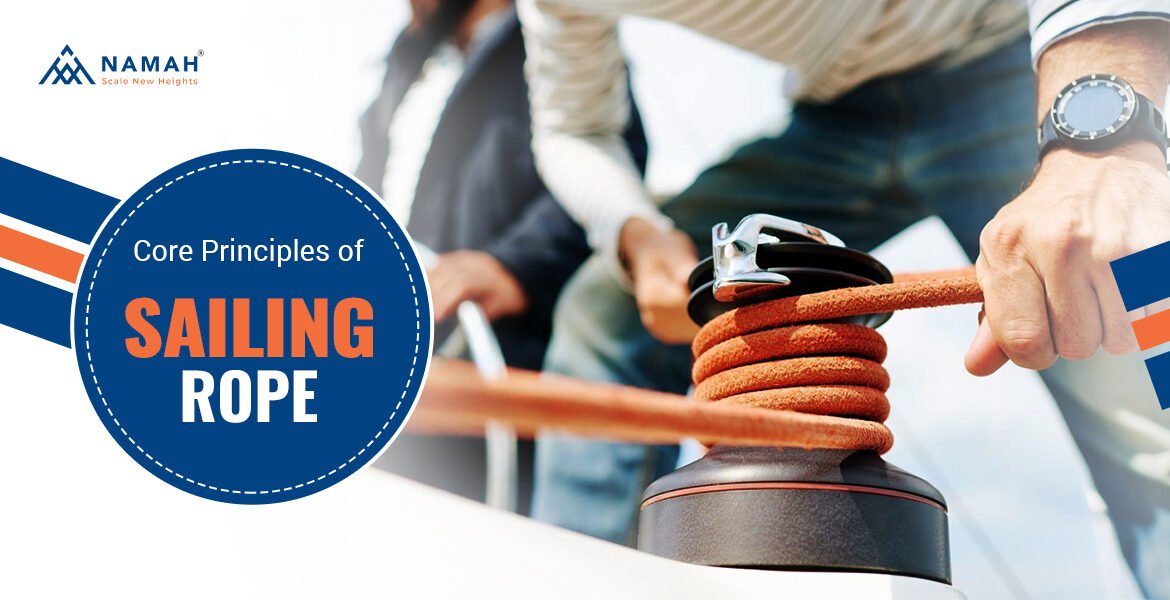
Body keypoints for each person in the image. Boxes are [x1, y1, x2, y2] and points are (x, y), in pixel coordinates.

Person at [516, 0, 1170, 595]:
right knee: (602, 312)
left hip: (1001, 59)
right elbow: (573, 130)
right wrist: (640, 235)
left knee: (1141, 366)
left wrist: (1098, 139)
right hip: (838, 110)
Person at [355, 0, 646, 514]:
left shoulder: (560, 41)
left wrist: (513, 264)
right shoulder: (406, 62)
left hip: (498, 369)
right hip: (389, 363)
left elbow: (608, 166)